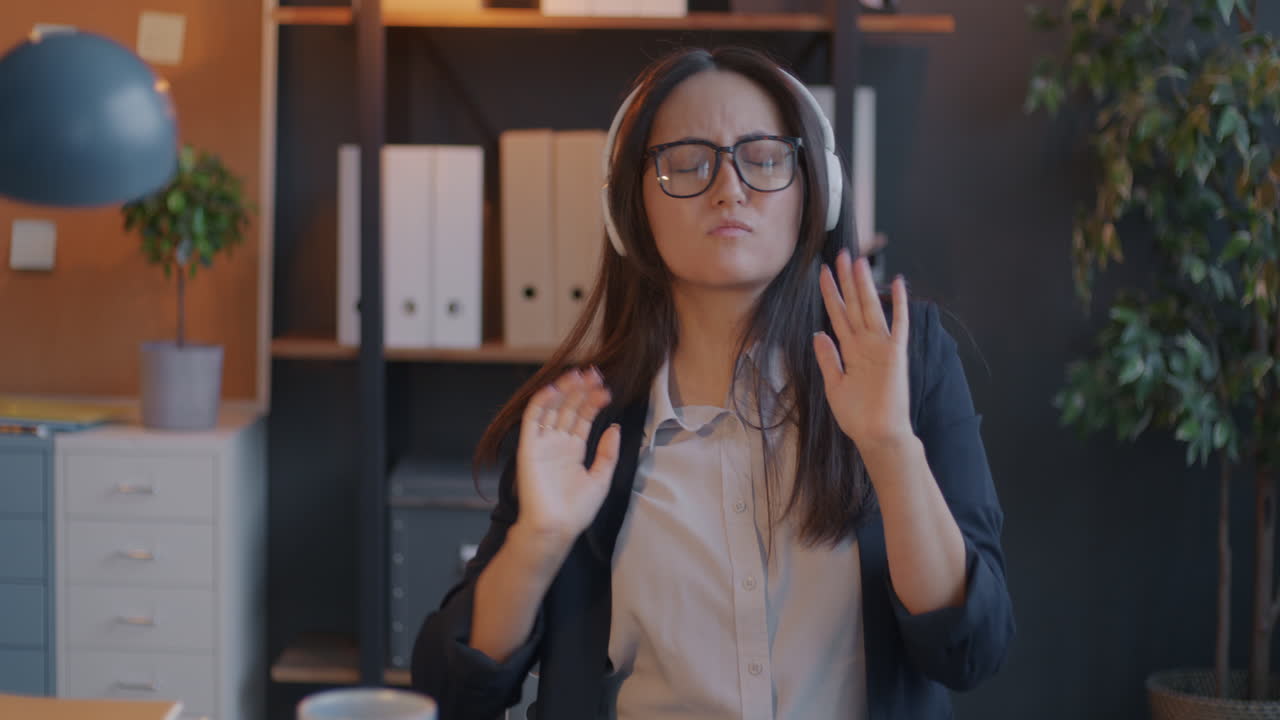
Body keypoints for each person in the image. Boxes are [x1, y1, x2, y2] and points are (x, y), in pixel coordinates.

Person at [411, 45, 1014, 720]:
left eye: (764, 159)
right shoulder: (583, 419)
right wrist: (538, 543)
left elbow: (971, 650)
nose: (730, 188)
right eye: (687, 164)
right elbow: (453, 693)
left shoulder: (906, 359)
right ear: (630, 208)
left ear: (815, 187)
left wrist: (890, 450)